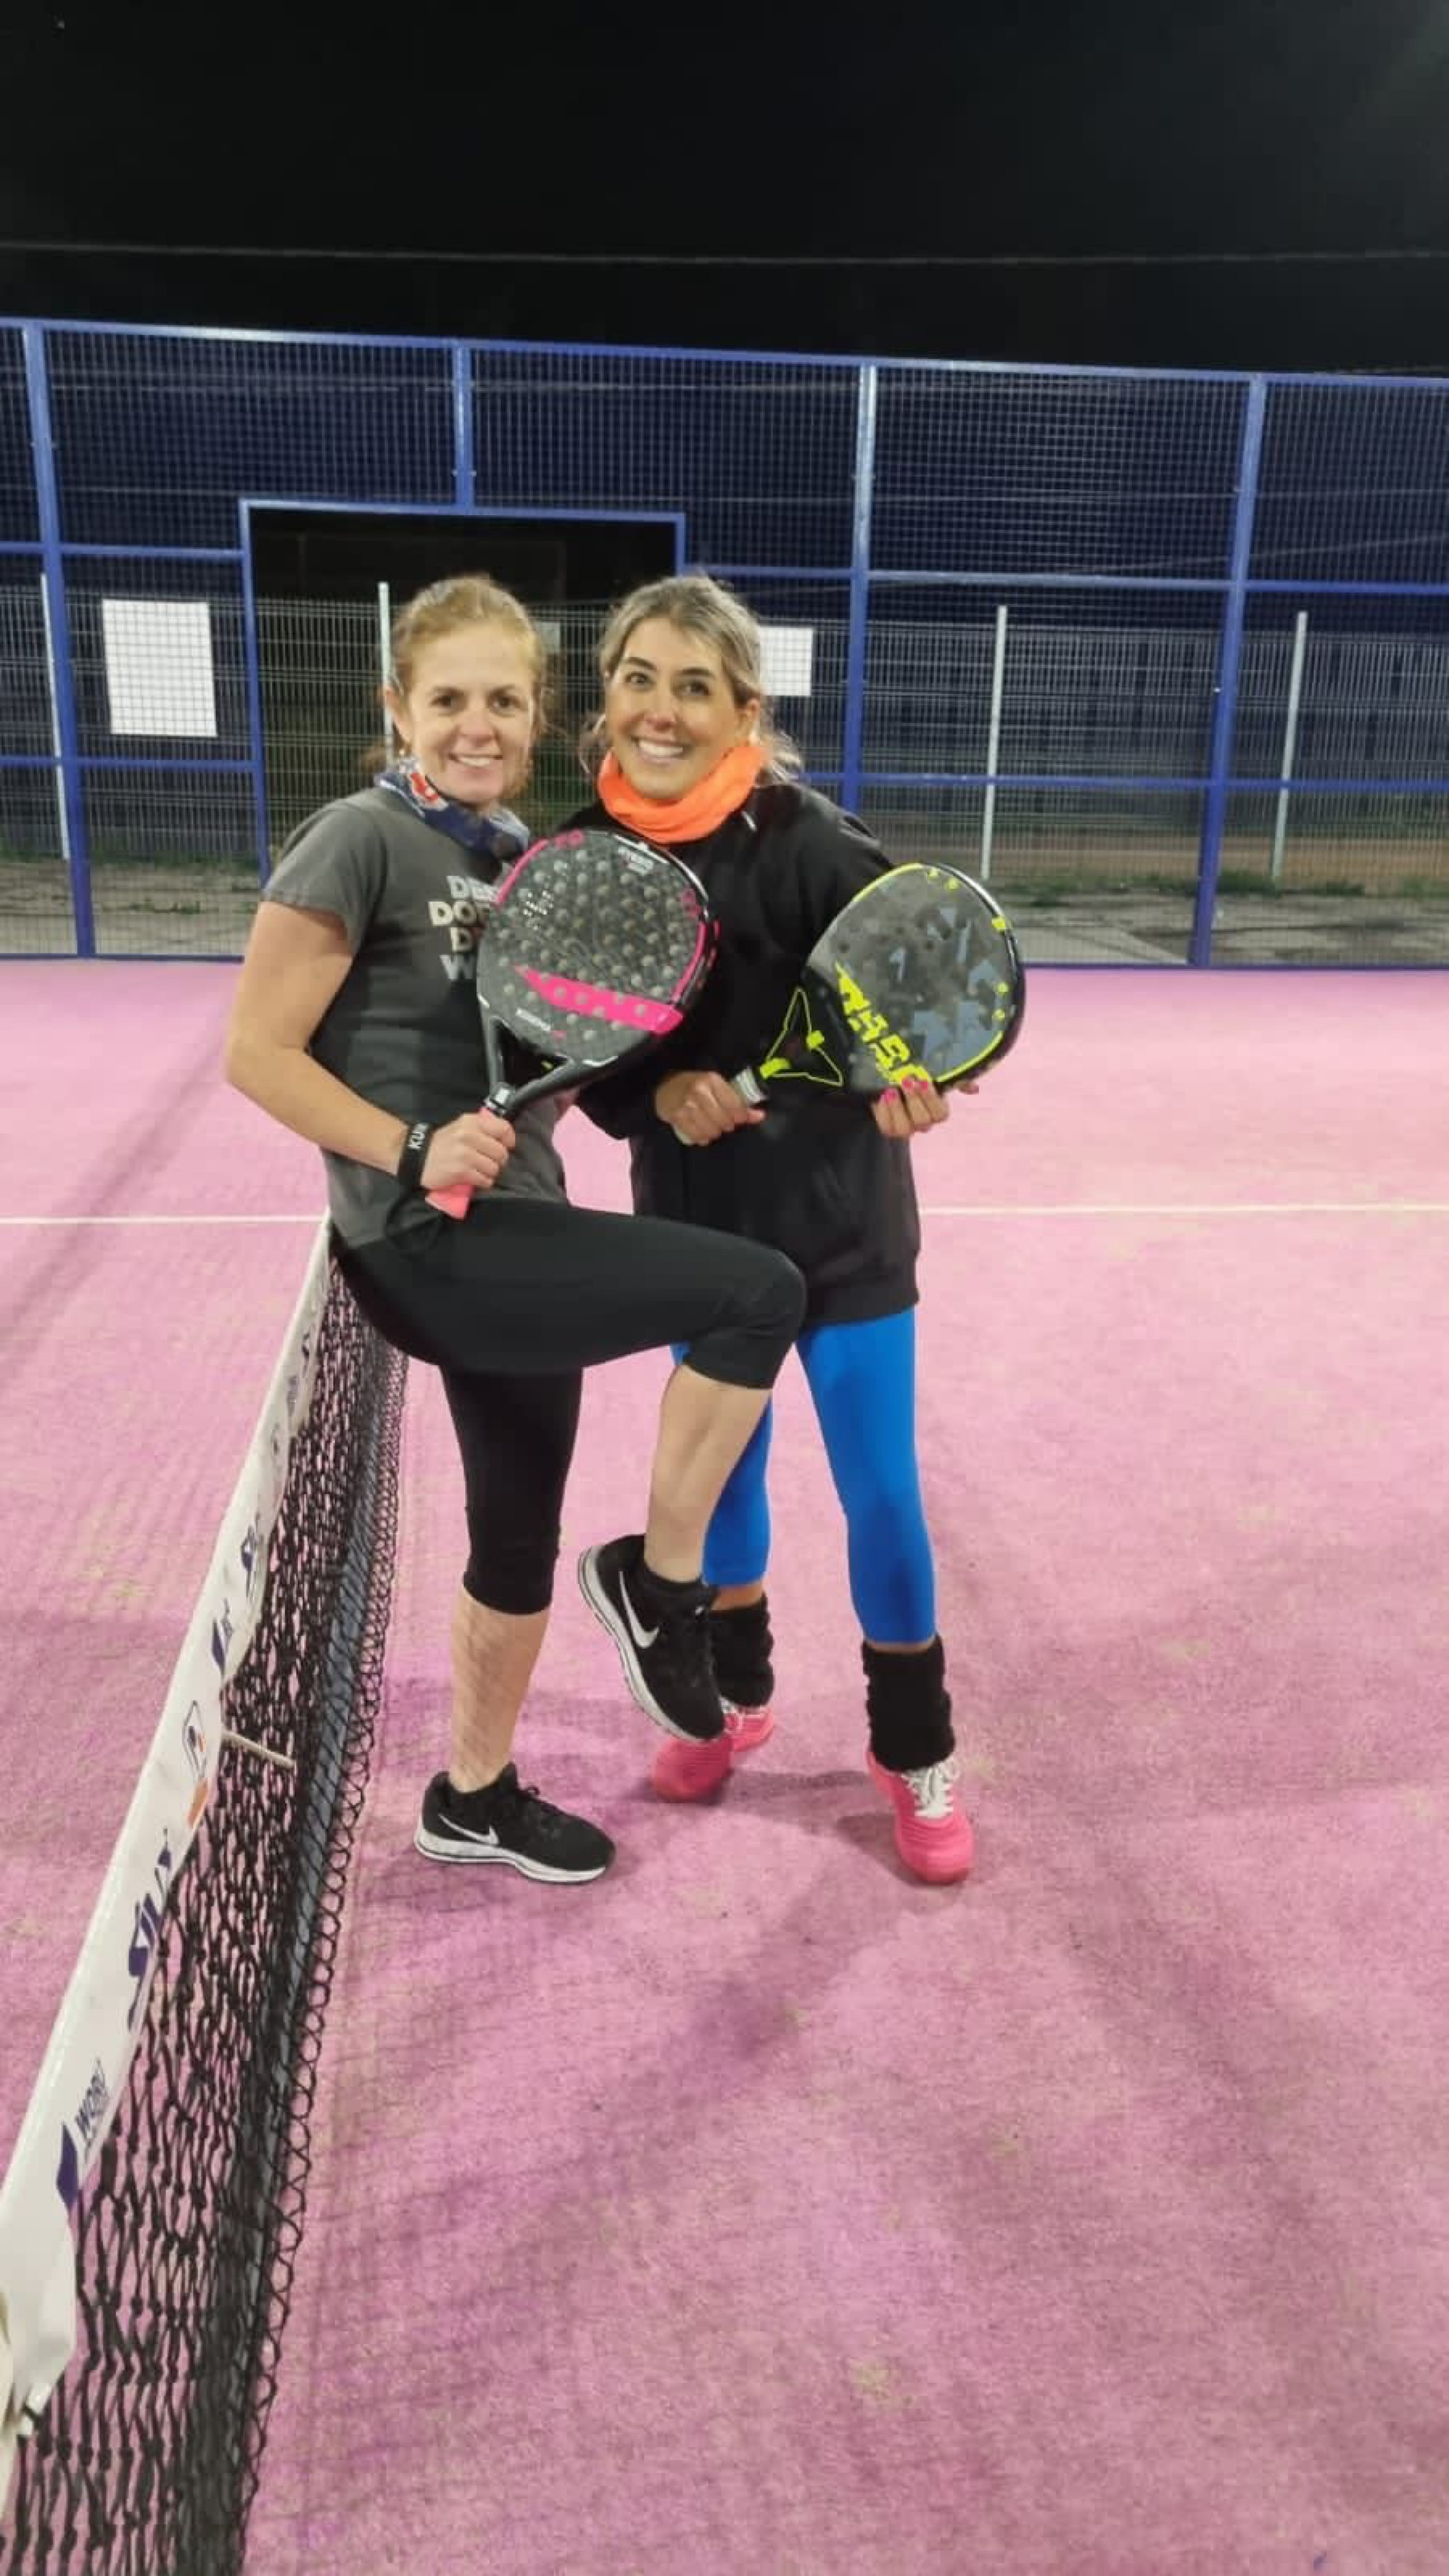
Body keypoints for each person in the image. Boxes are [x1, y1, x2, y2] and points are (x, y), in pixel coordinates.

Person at [225, 574, 805, 1889]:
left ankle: (472, 1796)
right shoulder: (355, 839)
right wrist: (410, 1147)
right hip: (428, 1243)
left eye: (500, 700)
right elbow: (257, 1052)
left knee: (515, 1534)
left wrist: (686, 1081)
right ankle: (660, 1586)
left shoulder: (519, 861)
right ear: (398, 708)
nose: (474, 725)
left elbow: (562, 1057)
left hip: (521, 1228)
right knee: (758, 1294)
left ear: (536, 716)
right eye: (447, 700)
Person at [571, 574, 973, 1885]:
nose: (663, 709)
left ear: (744, 709)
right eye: (640, 678)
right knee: (723, 1489)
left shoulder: (809, 840)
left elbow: (919, 982)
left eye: (695, 687)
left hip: (847, 1236)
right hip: (702, 1245)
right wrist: (653, 1093)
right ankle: (736, 1702)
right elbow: (579, 1041)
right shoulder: (586, 856)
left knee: (880, 1491)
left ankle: (914, 1750)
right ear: (608, 697)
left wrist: (915, 1076)